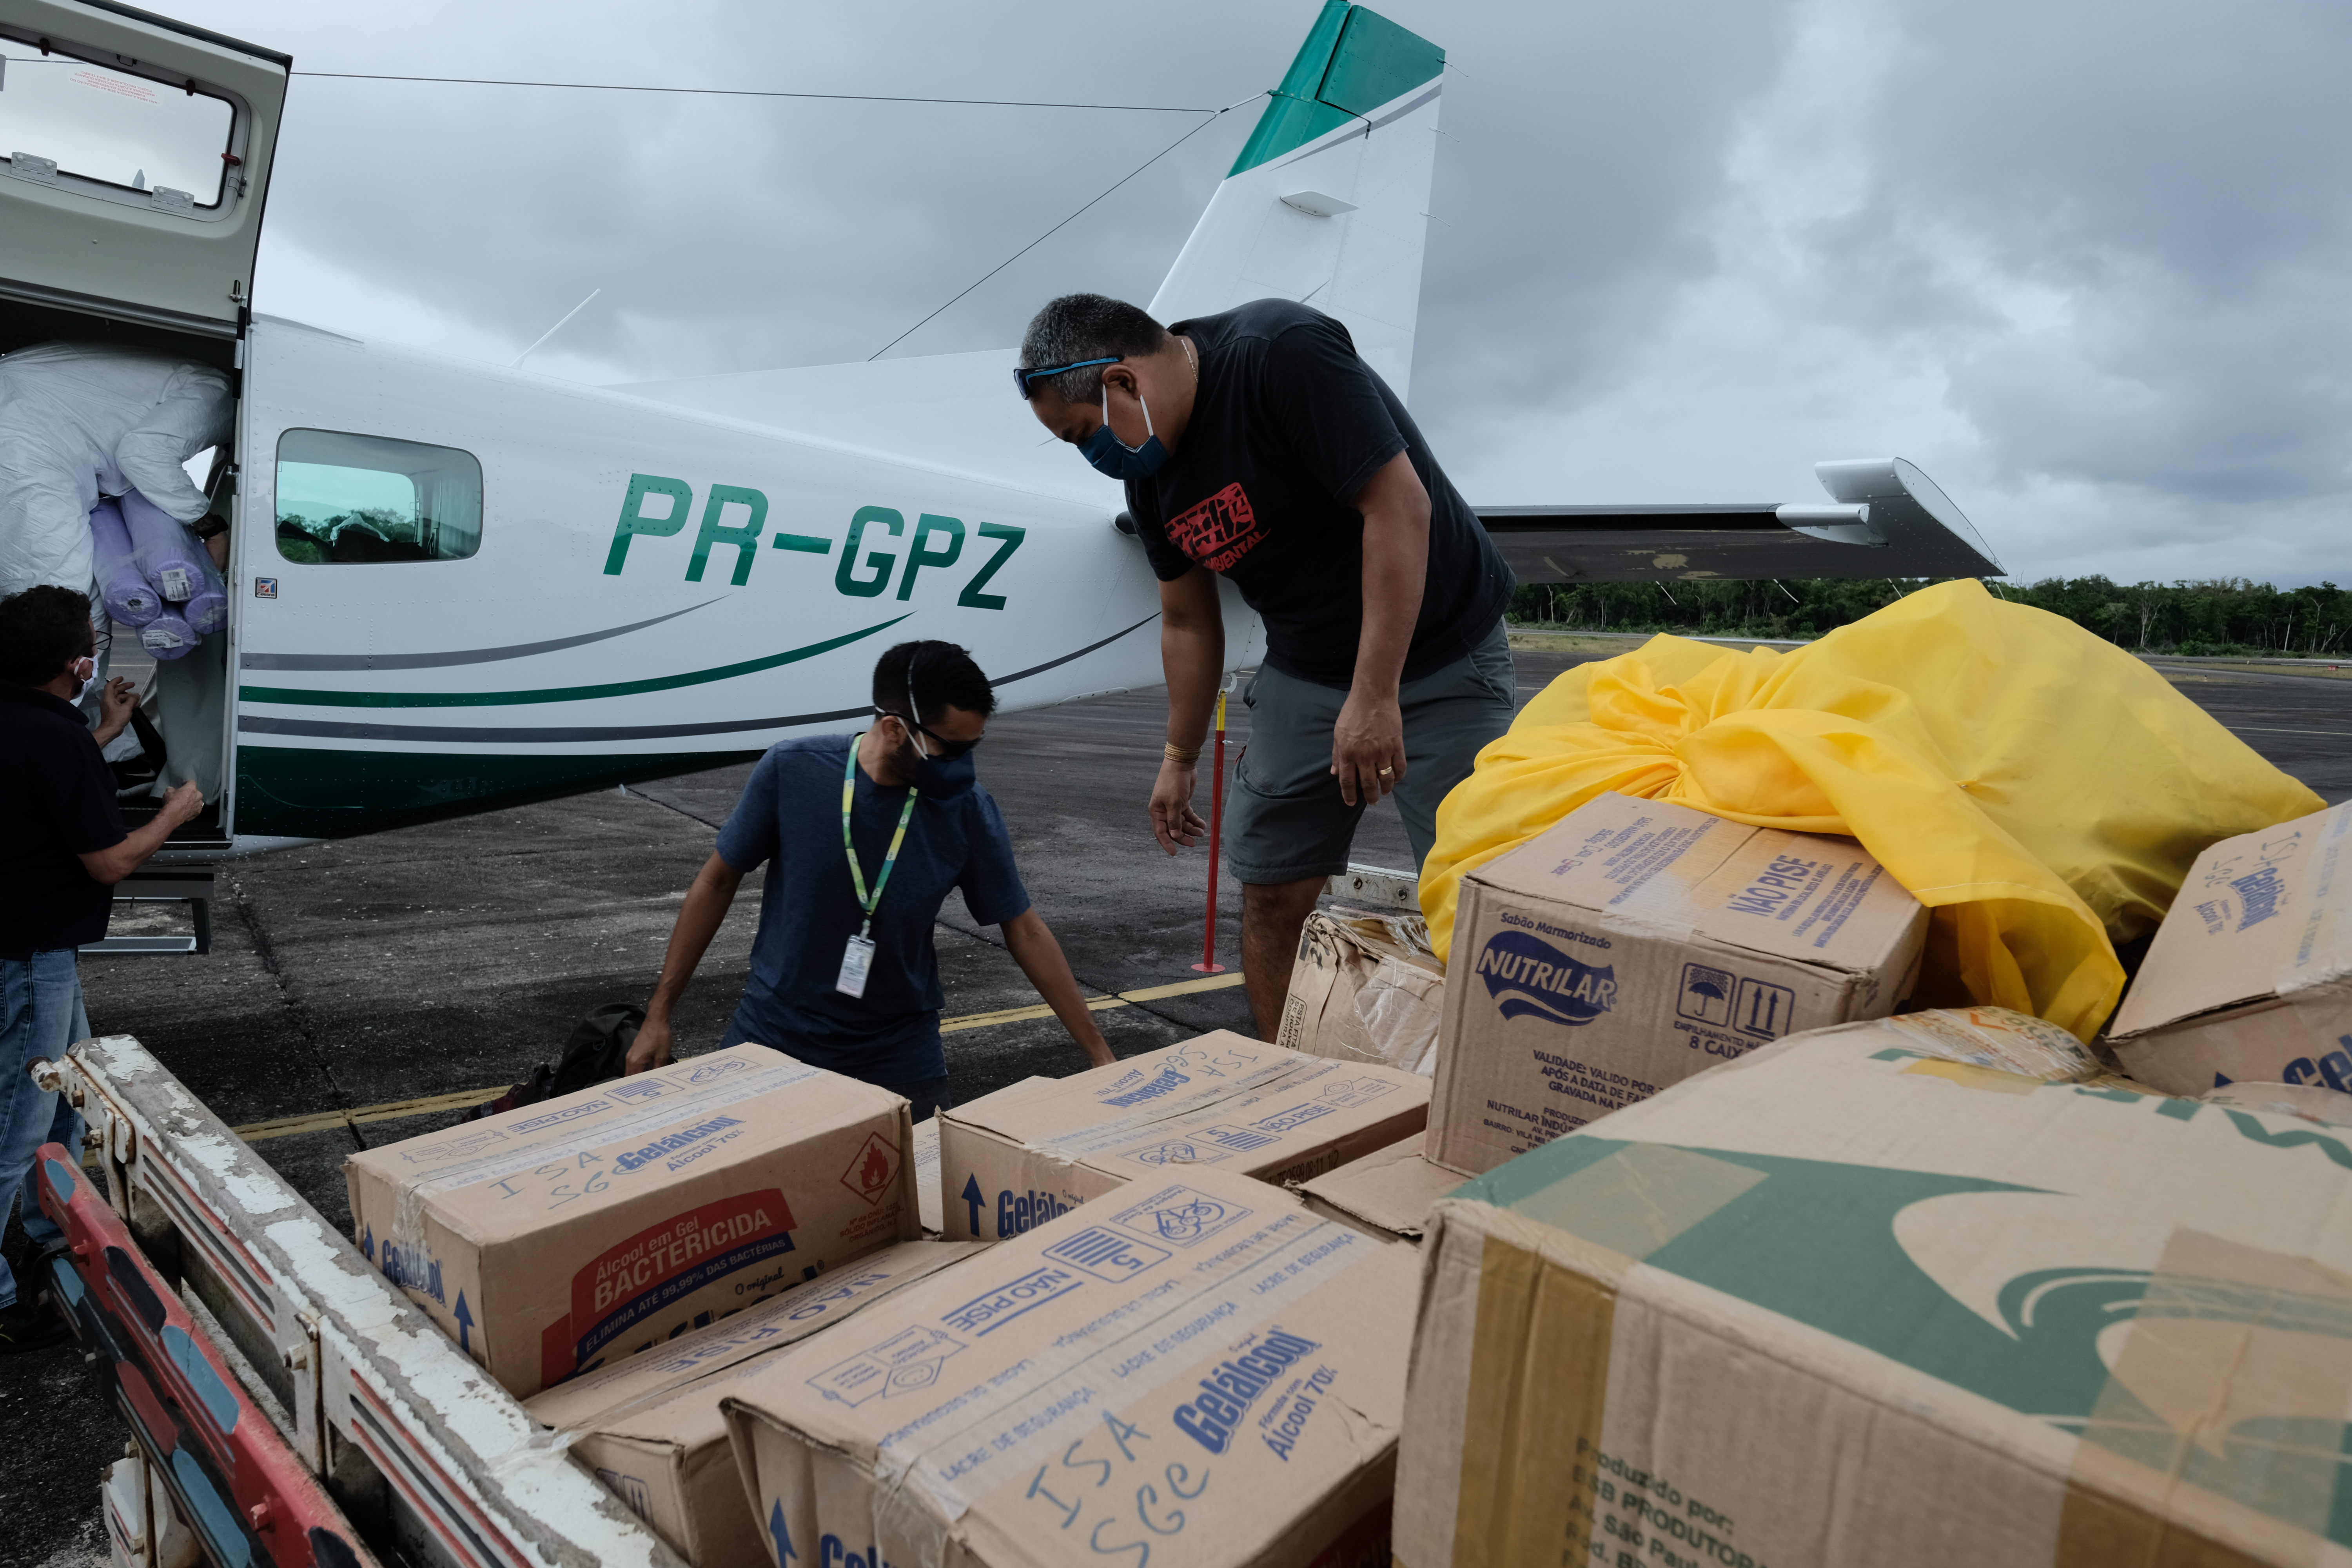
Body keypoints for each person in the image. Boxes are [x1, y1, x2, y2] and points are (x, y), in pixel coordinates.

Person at [1016, 293, 1519, 1039]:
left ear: (1123, 383)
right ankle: (1292, 1084)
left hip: (1438, 655)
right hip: (1308, 668)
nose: (1090, 455)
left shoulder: (1281, 353)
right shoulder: (1149, 479)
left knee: (1479, 899)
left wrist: (1375, 696)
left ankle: (1490, 1098)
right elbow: (1188, 620)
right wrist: (1178, 757)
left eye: (1081, 434)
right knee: (1273, 891)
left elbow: (1399, 509)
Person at [629, 641, 1114, 1117]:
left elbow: (1024, 928)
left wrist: (1099, 1056)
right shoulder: (792, 769)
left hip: (899, 1055)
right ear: (895, 729)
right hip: (772, 1036)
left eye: (974, 746)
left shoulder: (967, 809)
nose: (963, 764)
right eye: (951, 748)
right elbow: (717, 882)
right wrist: (659, 1013)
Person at [0, 585, 203, 1352]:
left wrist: (107, 728)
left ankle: (48, 1226)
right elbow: (110, 860)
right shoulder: (53, 740)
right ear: (77, 662)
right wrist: (173, 814)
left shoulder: (32, 724)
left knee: (65, 1101)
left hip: (32, 952)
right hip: (29, 959)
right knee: (15, 1128)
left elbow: (42, 774)